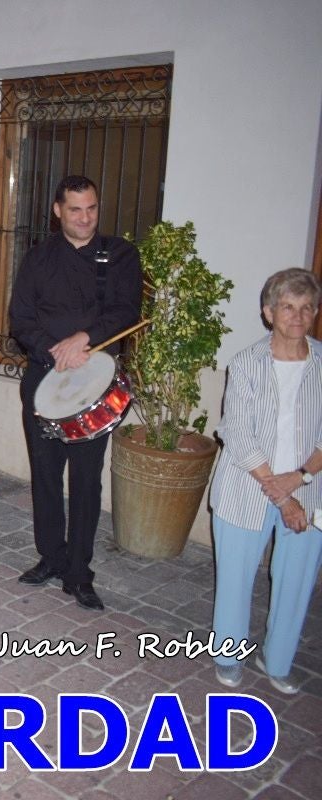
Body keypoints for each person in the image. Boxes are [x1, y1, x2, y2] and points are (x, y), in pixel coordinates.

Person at [8, 175, 141, 611]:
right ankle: (51, 557)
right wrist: (55, 349)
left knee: (85, 480)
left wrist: (84, 338)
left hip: (93, 386)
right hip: (44, 377)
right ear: (58, 211)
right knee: (45, 475)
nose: (85, 218)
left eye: (92, 208)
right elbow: (21, 319)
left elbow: (126, 311)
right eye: (76, 209)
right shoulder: (37, 259)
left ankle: (79, 573)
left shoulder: (119, 255)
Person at [209, 268, 322, 694]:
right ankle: (228, 656)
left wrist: (301, 477)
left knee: (297, 581)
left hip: (310, 489)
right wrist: (282, 495)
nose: (298, 316)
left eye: (306, 307)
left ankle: (277, 661)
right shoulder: (246, 363)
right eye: (288, 307)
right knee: (235, 580)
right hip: (247, 487)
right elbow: (237, 432)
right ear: (268, 312)